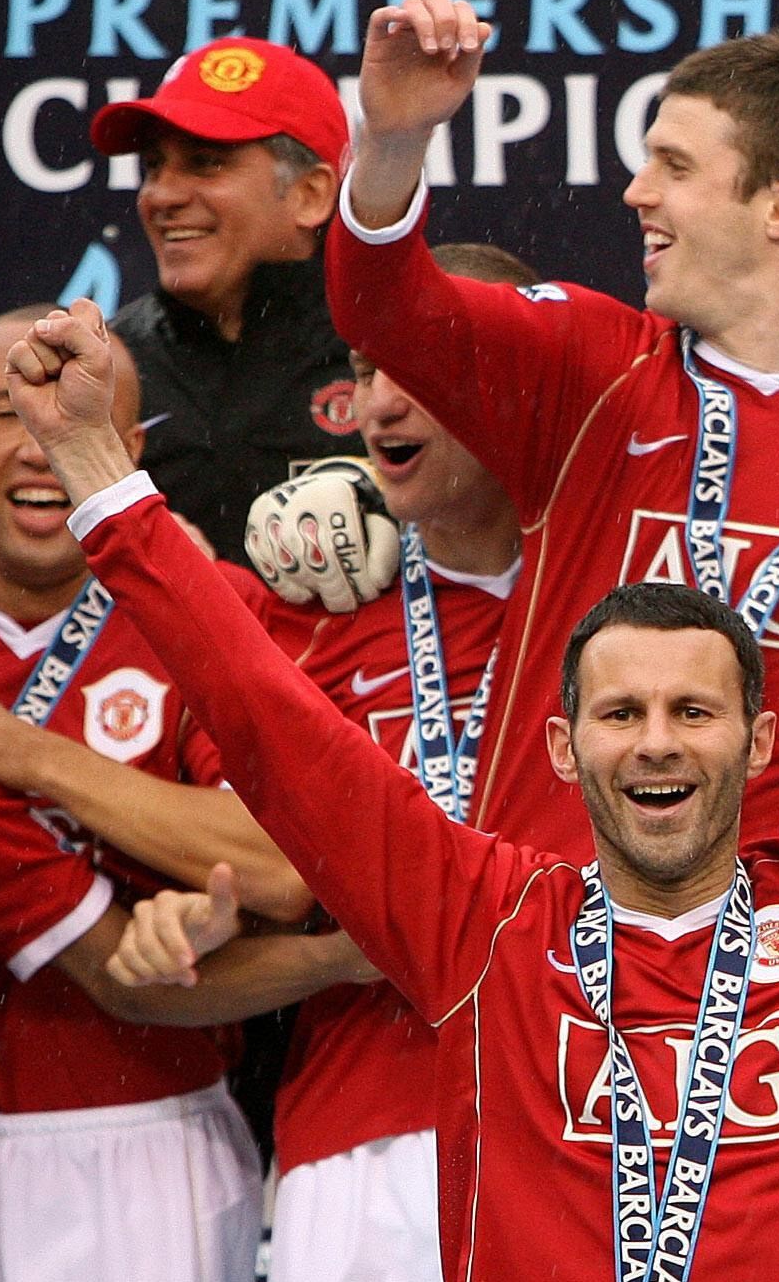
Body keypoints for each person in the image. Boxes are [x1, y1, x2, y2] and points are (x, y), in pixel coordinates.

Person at [11, 295, 779, 1279]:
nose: (658, 745)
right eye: (621, 714)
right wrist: (97, 468)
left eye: (695, 712)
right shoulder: (484, 919)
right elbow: (269, 721)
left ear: (760, 740)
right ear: (561, 748)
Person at [327, 0, 779, 856]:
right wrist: (393, 142)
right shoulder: (589, 365)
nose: (635, 191)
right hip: (552, 946)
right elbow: (379, 306)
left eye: (673, 167)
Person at [122, 242, 534, 1282]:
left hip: (604, 1115)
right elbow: (246, 888)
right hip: (364, 1128)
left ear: (516, 366)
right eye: (362, 371)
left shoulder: (636, 580)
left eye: (417, 366)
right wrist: (206, 920)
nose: (380, 405)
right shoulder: (312, 607)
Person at [0, 306, 340, 1282]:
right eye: (5, 413)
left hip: (150, 1131)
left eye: (70, 420)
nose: (39, 447)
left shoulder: (207, 612)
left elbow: (285, 866)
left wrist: (30, 757)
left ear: (124, 448)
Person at [93, 37, 363, 555]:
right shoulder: (109, 367)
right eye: (152, 166)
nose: (163, 196)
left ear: (311, 194)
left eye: (205, 163)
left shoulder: (388, 350)